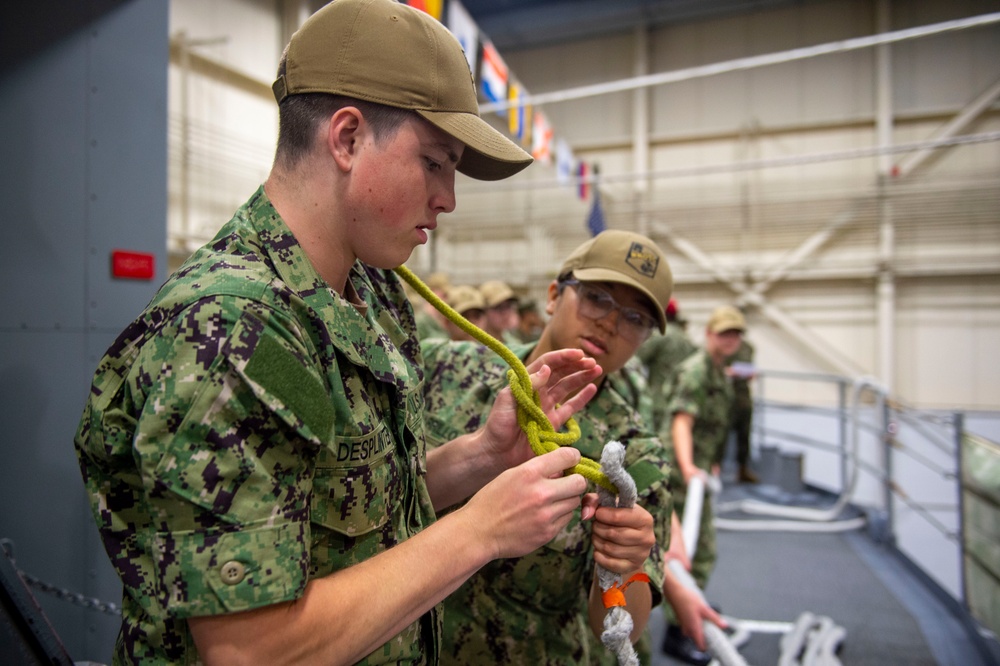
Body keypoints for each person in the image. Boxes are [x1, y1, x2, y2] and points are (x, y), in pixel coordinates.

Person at [72, 1, 607, 663]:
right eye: (436, 163)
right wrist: (480, 532)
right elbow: (254, 649)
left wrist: (480, 458)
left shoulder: (368, 290)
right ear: (348, 139)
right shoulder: (231, 331)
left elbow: (352, 515)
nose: (449, 198)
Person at [422, 229, 719, 664]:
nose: (611, 323)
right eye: (598, 297)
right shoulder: (446, 369)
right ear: (553, 296)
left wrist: (627, 563)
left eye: (636, 319)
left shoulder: (634, 457)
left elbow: (618, 629)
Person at [658, 305, 746, 665]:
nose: (730, 339)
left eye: (736, 334)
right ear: (709, 334)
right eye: (724, 332)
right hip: (682, 477)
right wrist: (688, 467)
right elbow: (682, 422)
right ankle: (678, 632)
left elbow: (711, 426)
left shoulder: (720, 372)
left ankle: (689, 612)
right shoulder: (697, 371)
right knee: (689, 553)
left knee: (698, 552)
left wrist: (707, 462)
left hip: (696, 471)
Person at [637, 297, 697, 432]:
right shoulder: (686, 338)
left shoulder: (661, 335)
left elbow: (635, 358)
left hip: (658, 403)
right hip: (681, 403)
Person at [727, 335, 759, 483]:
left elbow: (750, 368)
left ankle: (743, 469)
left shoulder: (748, 347)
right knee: (718, 436)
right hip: (724, 395)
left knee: (744, 435)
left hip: (743, 396)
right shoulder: (721, 344)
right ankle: (713, 469)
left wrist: (748, 373)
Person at [414, 271, 451, 340]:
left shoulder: (442, 318)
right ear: (432, 291)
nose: (447, 299)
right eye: (444, 295)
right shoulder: (421, 321)